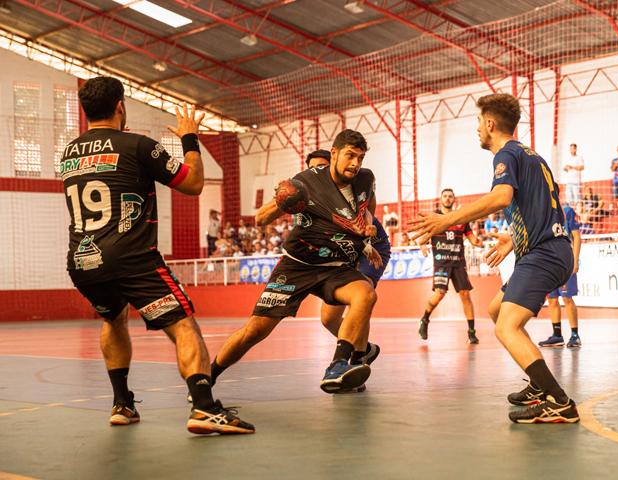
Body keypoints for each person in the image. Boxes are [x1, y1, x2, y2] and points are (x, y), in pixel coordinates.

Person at [60, 76, 253, 434]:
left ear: (86, 112)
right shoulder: (137, 145)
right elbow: (193, 184)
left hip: (83, 261)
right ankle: (204, 407)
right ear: (120, 106)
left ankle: (122, 404)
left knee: (114, 318)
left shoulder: (69, 153)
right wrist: (189, 139)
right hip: (132, 257)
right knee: (183, 324)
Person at [409, 93, 578, 423]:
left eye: (477, 122)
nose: (477, 129)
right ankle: (538, 384)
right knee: (495, 309)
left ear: (489, 123)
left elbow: (501, 197)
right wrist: (514, 240)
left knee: (506, 328)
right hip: (548, 249)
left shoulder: (506, 154)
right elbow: (543, 210)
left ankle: (559, 401)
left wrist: (448, 219)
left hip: (544, 254)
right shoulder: (533, 156)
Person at [209, 130, 383, 395]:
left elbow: (368, 205)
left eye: (360, 157)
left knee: (365, 295)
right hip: (297, 266)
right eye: (350, 156)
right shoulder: (305, 182)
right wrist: (283, 199)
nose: (355, 163)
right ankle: (207, 377)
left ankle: (338, 365)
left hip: (336, 267)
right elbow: (260, 219)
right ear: (334, 153)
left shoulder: (366, 179)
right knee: (256, 330)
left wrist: (368, 227)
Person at [418, 188, 484, 344]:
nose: (447, 198)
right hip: (442, 263)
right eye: (445, 196)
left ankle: (471, 332)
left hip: (458, 262)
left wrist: (482, 243)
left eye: (450, 196)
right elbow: (421, 237)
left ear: (454, 200)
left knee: (465, 295)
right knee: (440, 293)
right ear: (441, 199)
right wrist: (422, 246)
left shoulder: (461, 219)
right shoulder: (434, 218)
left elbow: (473, 240)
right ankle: (425, 320)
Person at [538, 204, 582, 348]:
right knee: (552, 299)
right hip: (549, 261)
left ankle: (575, 335)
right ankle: (557, 335)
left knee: (567, 297)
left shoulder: (567, 211)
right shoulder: (542, 211)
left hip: (565, 260)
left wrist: (575, 260)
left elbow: (576, 236)